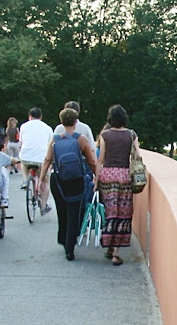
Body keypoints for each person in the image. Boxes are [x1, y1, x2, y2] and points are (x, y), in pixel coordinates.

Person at [40, 108, 97, 261]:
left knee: (61, 211)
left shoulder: (55, 139)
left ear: (61, 122)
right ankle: (70, 249)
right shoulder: (81, 139)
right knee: (74, 213)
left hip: (57, 179)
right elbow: (91, 161)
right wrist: (98, 175)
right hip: (76, 180)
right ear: (76, 122)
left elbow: (47, 160)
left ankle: (63, 239)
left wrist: (41, 179)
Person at [95, 104, 137, 266]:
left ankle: (109, 247)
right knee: (123, 214)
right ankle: (116, 253)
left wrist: (96, 180)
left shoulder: (104, 135)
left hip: (108, 175)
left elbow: (100, 160)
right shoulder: (131, 135)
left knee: (111, 212)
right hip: (125, 176)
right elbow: (137, 157)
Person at [18, 107, 53, 214]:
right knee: (45, 181)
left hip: (26, 157)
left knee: (23, 163)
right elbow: (50, 145)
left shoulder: (24, 126)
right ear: (41, 117)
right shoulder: (47, 128)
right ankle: (43, 207)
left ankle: (25, 180)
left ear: (30, 117)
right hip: (41, 159)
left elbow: (21, 142)